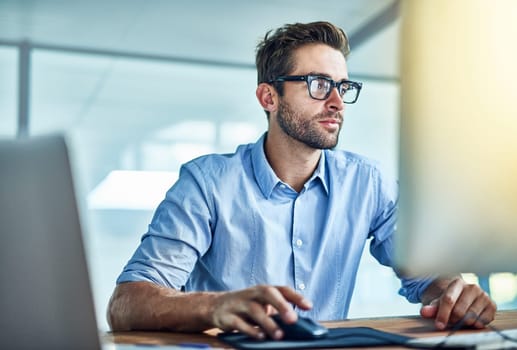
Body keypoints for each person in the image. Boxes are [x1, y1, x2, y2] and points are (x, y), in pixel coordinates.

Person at [107, 21, 496, 340]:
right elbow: (126, 303)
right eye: (318, 84)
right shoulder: (207, 182)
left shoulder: (367, 183)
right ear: (268, 98)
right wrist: (214, 306)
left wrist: (455, 294)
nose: (337, 102)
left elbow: (427, 274)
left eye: (342, 87)